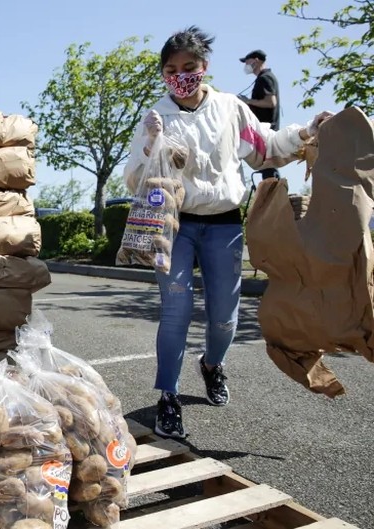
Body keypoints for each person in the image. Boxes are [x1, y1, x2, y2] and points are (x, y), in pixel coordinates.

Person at [123, 26, 333, 439]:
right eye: (171, 68)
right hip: (175, 225)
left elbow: (265, 149)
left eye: (189, 67)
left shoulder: (229, 109)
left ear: (205, 68)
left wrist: (308, 131)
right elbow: (134, 180)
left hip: (223, 223)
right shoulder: (155, 117)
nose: (180, 75)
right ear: (163, 72)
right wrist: (150, 146)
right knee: (176, 311)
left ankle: (212, 364)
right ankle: (169, 394)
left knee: (224, 319)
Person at [239, 49, 281, 179]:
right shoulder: (264, 78)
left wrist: (247, 101)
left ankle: (274, 195)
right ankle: (272, 194)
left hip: (266, 129)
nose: (246, 65)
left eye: (247, 62)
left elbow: (271, 102)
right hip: (265, 128)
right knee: (266, 166)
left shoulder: (265, 78)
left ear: (256, 60)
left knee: (268, 167)